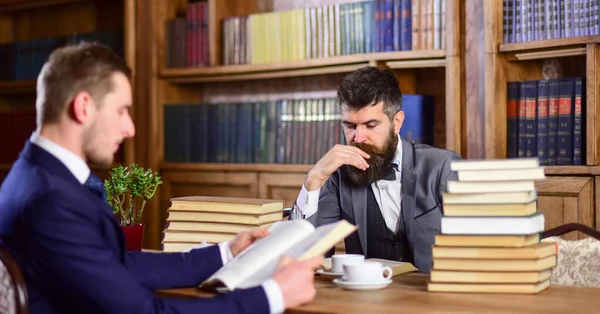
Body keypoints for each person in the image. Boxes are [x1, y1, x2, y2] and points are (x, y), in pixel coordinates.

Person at [0, 42, 321, 314]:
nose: (131, 129)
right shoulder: (53, 201)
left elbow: (117, 265)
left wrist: (226, 253)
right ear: (84, 106)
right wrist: (274, 294)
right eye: (122, 110)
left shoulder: (31, 176)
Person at [289, 66, 462, 273]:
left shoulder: (444, 167)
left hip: (434, 298)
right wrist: (314, 178)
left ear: (396, 122)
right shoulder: (338, 176)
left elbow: (474, 255)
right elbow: (304, 258)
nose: (358, 138)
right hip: (365, 300)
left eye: (370, 125)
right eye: (350, 126)